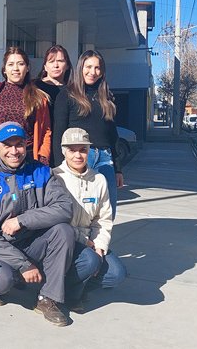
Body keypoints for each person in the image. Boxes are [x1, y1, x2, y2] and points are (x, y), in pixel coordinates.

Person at [0, 121, 74, 327]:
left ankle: (47, 298)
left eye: (18, 144)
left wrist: (22, 220)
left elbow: (65, 208)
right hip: (1, 250)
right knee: (2, 282)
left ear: (26, 144)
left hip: (33, 243)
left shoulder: (41, 172)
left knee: (63, 231)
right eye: (7, 145)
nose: (14, 151)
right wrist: (24, 265)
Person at [53, 128, 126, 310]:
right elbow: (55, 220)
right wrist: (84, 242)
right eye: (72, 150)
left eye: (83, 150)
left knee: (116, 274)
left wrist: (100, 245)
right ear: (63, 151)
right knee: (90, 262)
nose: (78, 155)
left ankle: (78, 286)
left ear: (89, 151)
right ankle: (68, 294)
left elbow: (103, 219)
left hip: (91, 242)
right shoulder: (54, 178)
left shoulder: (99, 180)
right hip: (65, 241)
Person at [52, 50, 124, 217]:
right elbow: (58, 133)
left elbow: (112, 134)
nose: (93, 72)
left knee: (108, 211)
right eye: (88, 67)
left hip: (105, 158)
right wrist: (59, 168)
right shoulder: (67, 94)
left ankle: (100, 236)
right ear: (80, 68)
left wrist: (118, 169)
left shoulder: (106, 97)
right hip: (80, 156)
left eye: (97, 68)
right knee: (80, 211)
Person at [0, 46, 52, 166]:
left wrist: (43, 158)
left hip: (27, 158)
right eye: (11, 64)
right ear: (4, 69)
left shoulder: (38, 97)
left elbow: (46, 132)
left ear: (27, 68)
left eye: (20, 64)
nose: (15, 68)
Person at [35, 45, 73, 166]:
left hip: (65, 146)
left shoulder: (73, 91)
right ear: (45, 66)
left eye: (60, 61)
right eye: (51, 61)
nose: (56, 65)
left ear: (67, 65)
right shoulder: (34, 88)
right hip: (39, 145)